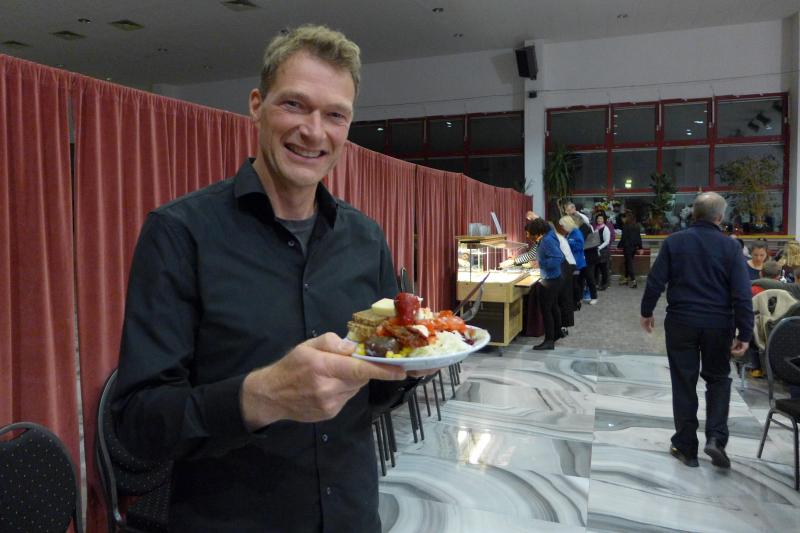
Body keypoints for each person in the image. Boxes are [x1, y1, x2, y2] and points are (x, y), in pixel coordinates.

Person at [111, 25, 424, 531]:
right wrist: (260, 397)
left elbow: (372, 390)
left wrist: (414, 365)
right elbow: (136, 422)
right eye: (294, 105)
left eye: (335, 115)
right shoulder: (179, 233)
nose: (314, 131)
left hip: (351, 515)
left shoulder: (365, 238)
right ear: (257, 106)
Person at [640, 192, 753, 470]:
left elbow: (655, 280)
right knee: (718, 379)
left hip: (681, 322)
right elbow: (742, 293)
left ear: (694, 214)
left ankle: (686, 446)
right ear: (720, 217)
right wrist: (745, 333)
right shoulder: (731, 248)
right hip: (719, 324)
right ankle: (716, 438)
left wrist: (647, 311)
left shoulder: (674, 242)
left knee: (683, 381)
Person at [529, 218, 564, 350]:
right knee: (553, 307)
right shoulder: (549, 235)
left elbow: (558, 258)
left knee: (546, 309)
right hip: (554, 278)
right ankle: (557, 333)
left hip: (550, 279)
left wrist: (540, 264)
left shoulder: (547, 240)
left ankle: (549, 340)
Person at [554, 219, 577, 335]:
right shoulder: (559, 237)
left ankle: (563, 326)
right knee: (565, 297)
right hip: (568, 265)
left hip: (566, 266)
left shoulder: (557, 237)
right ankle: (564, 325)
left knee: (563, 298)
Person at [571, 213, 599, 305]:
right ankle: (580, 297)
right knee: (580, 277)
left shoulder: (584, 228)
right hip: (582, 256)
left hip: (589, 256)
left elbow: (579, 241)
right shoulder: (579, 228)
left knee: (589, 277)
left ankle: (594, 296)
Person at [560, 215, 587, 311]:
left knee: (576, 284)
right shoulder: (571, 232)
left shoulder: (576, 232)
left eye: (562, 225)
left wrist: (567, 241)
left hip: (577, 263)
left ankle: (577, 303)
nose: (562, 228)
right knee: (574, 284)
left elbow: (580, 246)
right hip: (574, 262)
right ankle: (576, 302)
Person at [618, 211, 643, 288]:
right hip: (634, 248)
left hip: (627, 247)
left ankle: (633, 281)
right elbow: (639, 237)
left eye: (623, 218)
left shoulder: (626, 226)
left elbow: (623, 238)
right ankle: (626, 279)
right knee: (627, 262)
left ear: (627, 218)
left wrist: (619, 246)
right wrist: (640, 247)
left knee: (629, 264)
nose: (622, 220)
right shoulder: (636, 226)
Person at [593, 213, 612, 290]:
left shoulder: (605, 229)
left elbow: (607, 241)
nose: (599, 220)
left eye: (601, 218)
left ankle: (604, 284)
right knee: (596, 268)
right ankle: (596, 283)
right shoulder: (597, 228)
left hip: (603, 251)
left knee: (603, 269)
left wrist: (599, 247)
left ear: (604, 220)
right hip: (596, 250)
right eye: (598, 218)